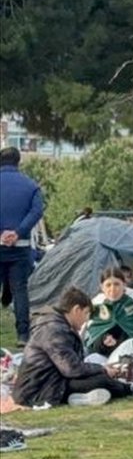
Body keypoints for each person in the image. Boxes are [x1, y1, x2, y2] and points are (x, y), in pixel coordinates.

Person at [13, 287, 133, 407]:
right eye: (86, 313)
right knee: (101, 380)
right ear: (76, 310)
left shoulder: (59, 327)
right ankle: (130, 389)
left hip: (52, 382)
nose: (87, 319)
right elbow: (71, 368)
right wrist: (103, 369)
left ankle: (77, 398)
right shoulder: (54, 331)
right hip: (39, 390)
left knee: (97, 373)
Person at [0, 146, 44, 345]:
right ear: (19, 162)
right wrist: (17, 232)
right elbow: (36, 212)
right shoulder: (31, 186)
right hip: (21, 245)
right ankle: (23, 335)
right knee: (20, 290)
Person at [84, 267, 133, 357]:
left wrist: (119, 343)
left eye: (116, 284)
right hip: (101, 356)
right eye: (108, 285)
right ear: (102, 287)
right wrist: (103, 340)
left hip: (131, 352)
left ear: (124, 285)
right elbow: (90, 337)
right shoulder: (97, 304)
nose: (112, 289)